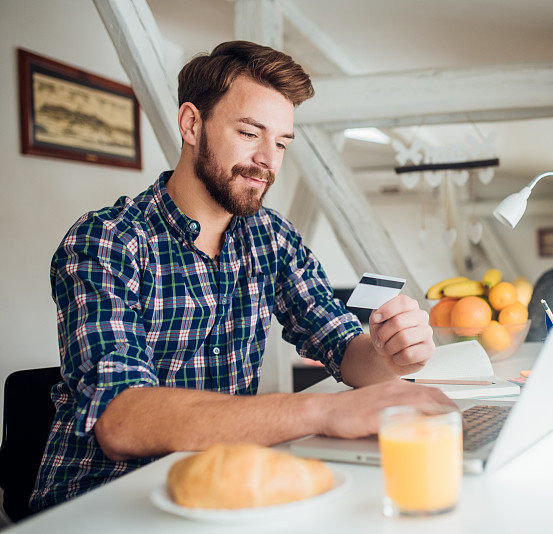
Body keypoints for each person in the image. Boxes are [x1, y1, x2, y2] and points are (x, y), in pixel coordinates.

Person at [30, 41, 452, 511]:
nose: (268, 160)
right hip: (100, 506)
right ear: (192, 124)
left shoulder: (270, 237)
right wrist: (326, 410)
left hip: (222, 493)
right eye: (251, 132)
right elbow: (120, 420)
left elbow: (345, 351)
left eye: (282, 143)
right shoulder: (106, 241)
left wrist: (388, 352)